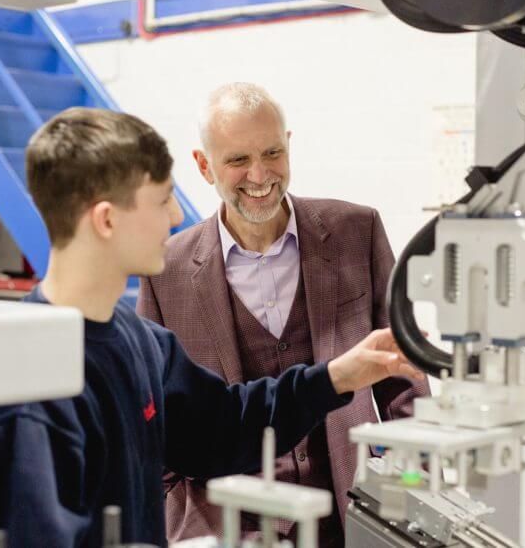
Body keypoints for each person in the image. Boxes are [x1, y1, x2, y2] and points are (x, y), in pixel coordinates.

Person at [0, 107, 423, 548]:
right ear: (107, 220)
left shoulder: (143, 344)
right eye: (164, 200)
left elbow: (225, 429)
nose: (175, 218)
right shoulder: (15, 388)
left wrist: (338, 377)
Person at [137, 83, 430, 545]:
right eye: (237, 160)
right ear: (203, 164)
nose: (259, 175)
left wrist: (419, 495)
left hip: (349, 512)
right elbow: (156, 423)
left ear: (288, 145)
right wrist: (182, 526)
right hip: (228, 523)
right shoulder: (165, 268)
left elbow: (404, 381)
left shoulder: (358, 231)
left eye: (272, 153)